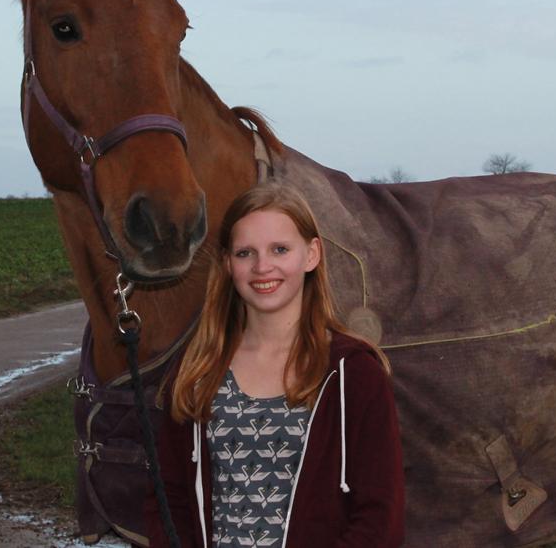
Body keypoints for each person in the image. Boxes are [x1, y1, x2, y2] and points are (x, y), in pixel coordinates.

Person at [145, 182, 405, 547]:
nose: (262, 267)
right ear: (227, 263)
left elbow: (380, 516)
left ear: (311, 255)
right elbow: (168, 500)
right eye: (245, 253)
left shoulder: (354, 374)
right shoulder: (198, 372)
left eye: (280, 249)